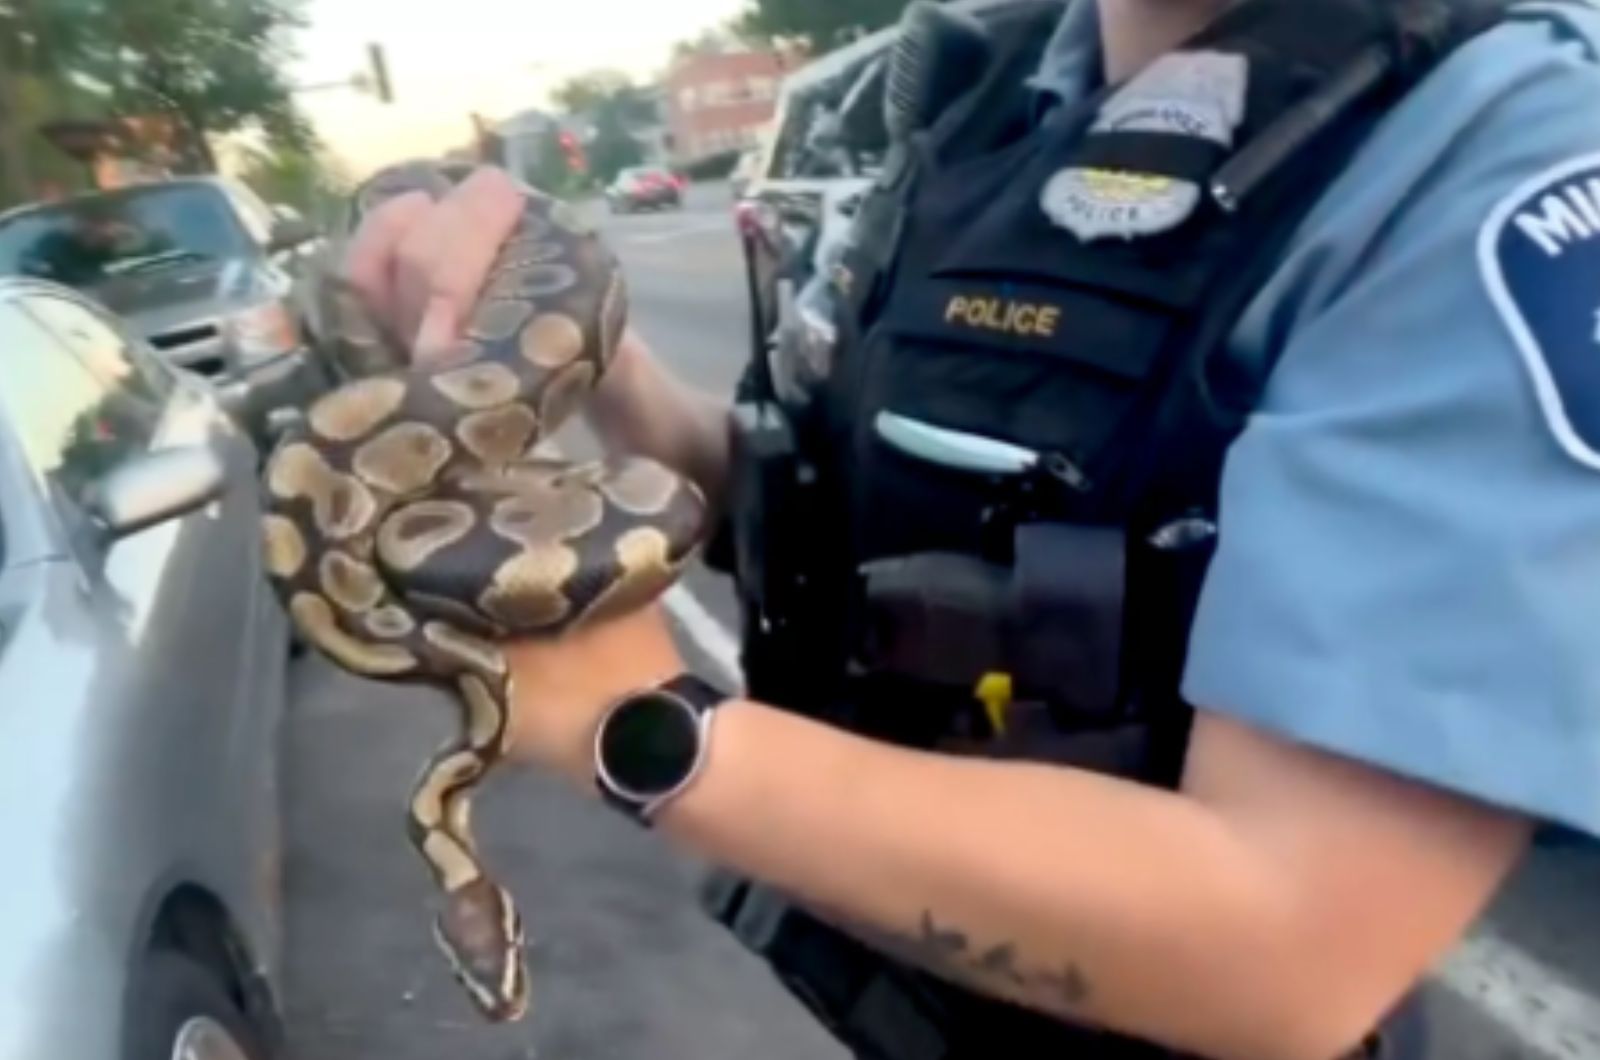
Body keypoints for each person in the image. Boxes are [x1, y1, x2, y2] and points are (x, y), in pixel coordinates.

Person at [339, 0, 1600, 1057]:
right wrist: (586, 355)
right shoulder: (987, 98)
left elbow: (1292, 944)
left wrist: (641, 728)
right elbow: (807, 507)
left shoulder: (1494, 155)